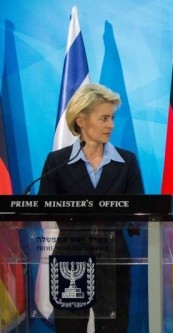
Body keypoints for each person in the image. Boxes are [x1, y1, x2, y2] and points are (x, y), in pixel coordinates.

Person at [38, 83, 144, 333]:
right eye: (104, 118)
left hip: (113, 257)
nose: (111, 125)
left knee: (113, 328)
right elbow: (44, 209)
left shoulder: (126, 162)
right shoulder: (57, 162)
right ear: (82, 121)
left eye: (112, 118)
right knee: (70, 328)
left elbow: (140, 211)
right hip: (70, 257)